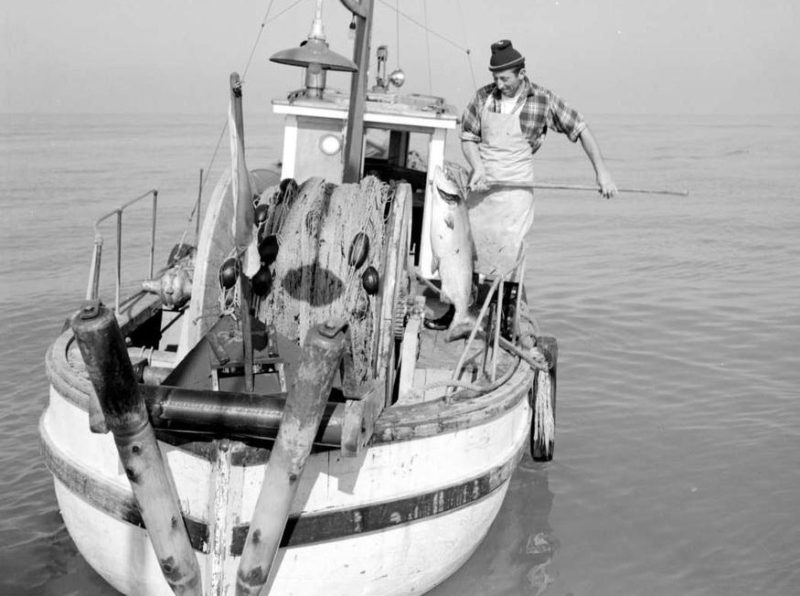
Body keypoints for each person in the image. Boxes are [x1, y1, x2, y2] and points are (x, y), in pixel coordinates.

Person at [461, 39, 617, 276]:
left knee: (506, 261)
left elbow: (580, 129)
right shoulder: (483, 97)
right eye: (496, 79)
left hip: (516, 194)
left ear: (521, 73)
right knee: (471, 253)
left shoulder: (543, 100)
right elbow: (468, 137)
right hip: (482, 190)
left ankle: (504, 303)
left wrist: (602, 173)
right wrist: (478, 168)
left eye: (505, 79)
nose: (499, 84)